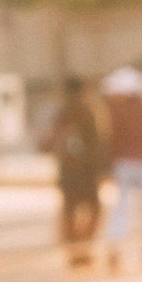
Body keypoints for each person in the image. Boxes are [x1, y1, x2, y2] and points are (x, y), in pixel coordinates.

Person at [98, 69, 142, 273]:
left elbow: (112, 141)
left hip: (124, 164)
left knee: (121, 207)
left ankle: (115, 249)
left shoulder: (116, 112)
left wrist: (108, 166)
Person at [40, 74, 108, 269]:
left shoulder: (61, 113)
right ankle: (82, 248)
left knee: (69, 211)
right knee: (93, 209)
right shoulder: (88, 113)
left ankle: (74, 251)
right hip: (85, 171)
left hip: (67, 171)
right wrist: (100, 169)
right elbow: (96, 144)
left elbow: (47, 142)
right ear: (82, 91)